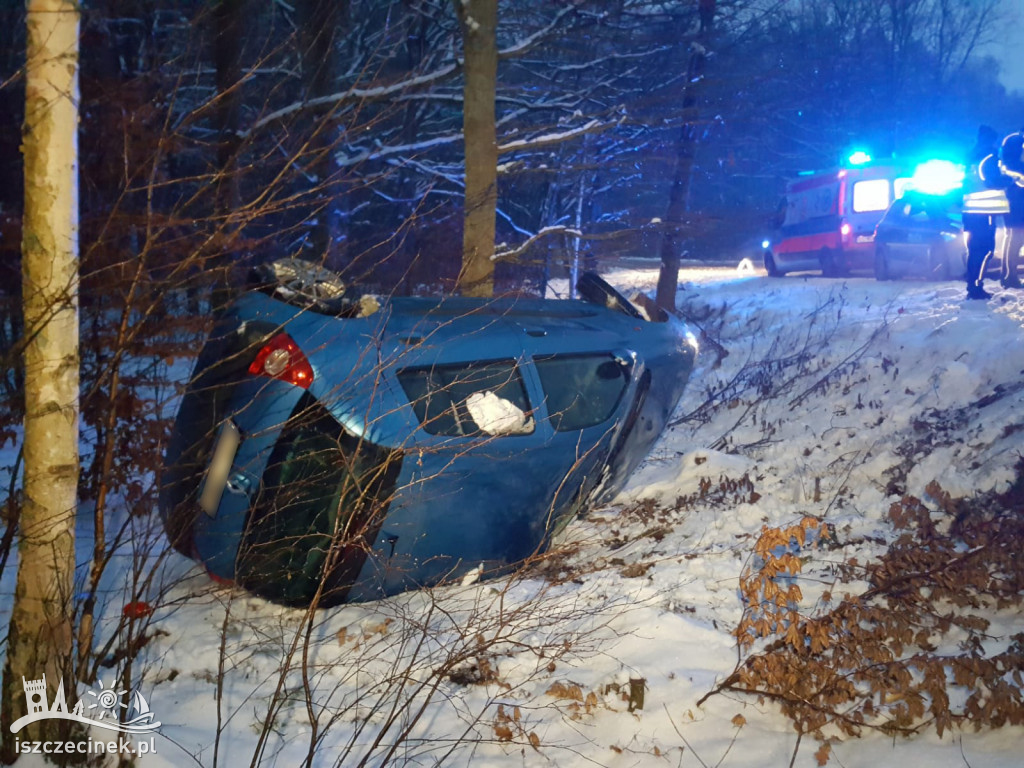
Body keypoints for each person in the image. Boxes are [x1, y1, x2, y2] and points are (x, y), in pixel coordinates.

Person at [962, 126, 1000, 299]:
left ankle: (973, 285)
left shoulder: (970, 157)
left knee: (974, 250)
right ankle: (976, 287)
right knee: (986, 250)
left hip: (970, 211)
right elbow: (993, 181)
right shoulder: (990, 157)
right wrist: (1009, 179)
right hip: (986, 212)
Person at [998, 129, 1024, 289]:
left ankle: (1009, 275)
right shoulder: (1013, 142)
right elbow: (1008, 167)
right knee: (1015, 236)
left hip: (1018, 197)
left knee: (1016, 237)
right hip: (1015, 199)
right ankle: (1009, 276)